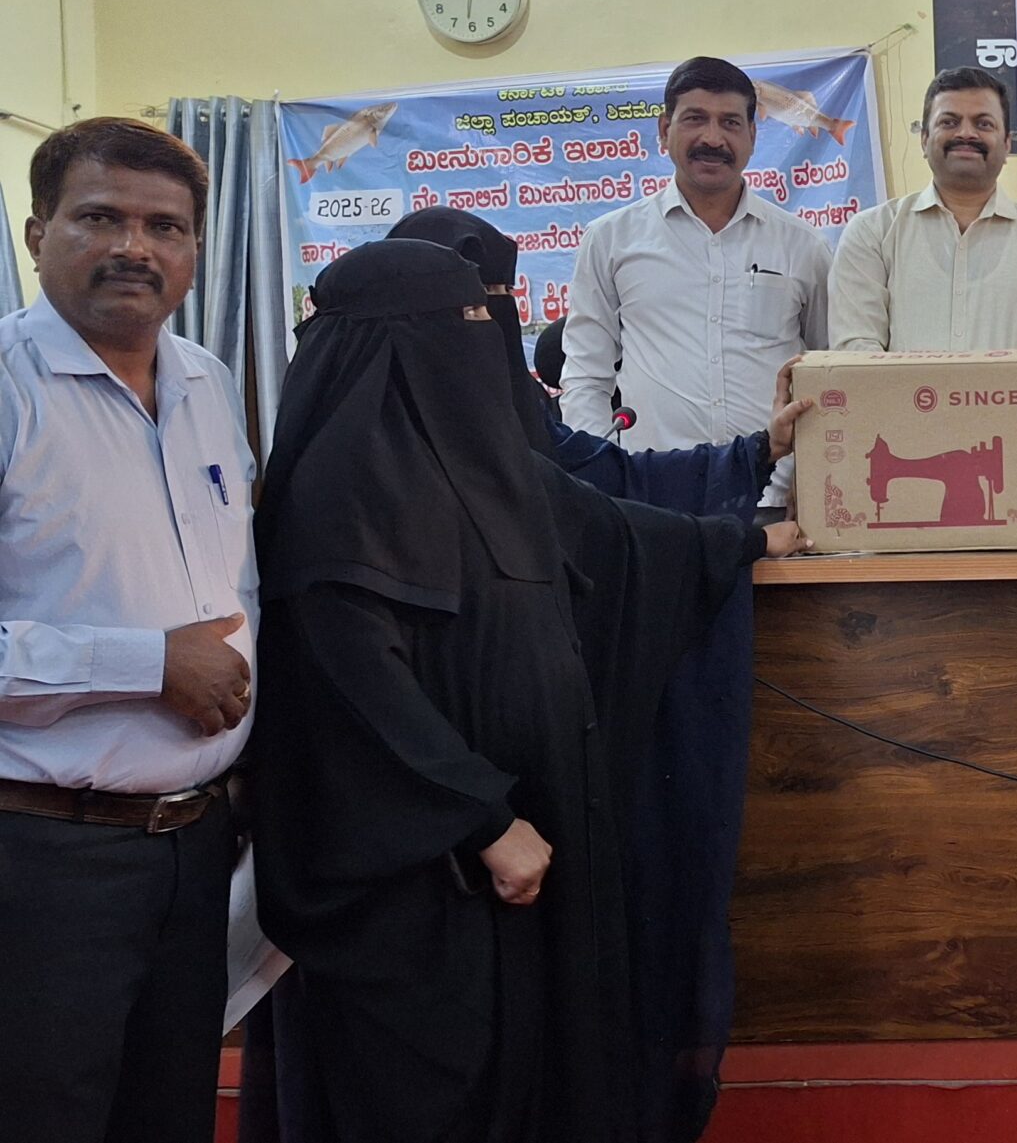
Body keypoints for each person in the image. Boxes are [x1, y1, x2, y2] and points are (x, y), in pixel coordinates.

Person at [247, 240, 806, 1143]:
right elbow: (354, 691)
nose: (488, 333)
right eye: (467, 317)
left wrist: (744, 536)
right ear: (399, 342)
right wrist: (482, 818)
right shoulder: (339, 491)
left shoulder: (488, 461)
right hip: (424, 885)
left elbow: (618, 535)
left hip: (532, 854)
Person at [0, 119, 253, 1143]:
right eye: (100, 217)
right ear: (37, 232)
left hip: (194, 850)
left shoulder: (206, 381)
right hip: (42, 857)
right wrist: (147, 663)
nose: (134, 248)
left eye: (165, 226)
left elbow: (235, 588)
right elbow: (171, 646)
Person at [562, 56, 830, 454]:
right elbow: (586, 374)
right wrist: (599, 469)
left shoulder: (803, 245)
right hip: (655, 483)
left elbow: (830, 370)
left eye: (730, 123)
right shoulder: (610, 239)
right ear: (664, 129)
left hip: (778, 482)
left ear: (752, 136)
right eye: (695, 119)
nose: (713, 138)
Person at [828, 66, 1017, 351]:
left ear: (1006, 144)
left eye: (984, 124)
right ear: (924, 139)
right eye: (949, 122)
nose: (966, 133)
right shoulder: (871, 234)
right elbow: (857, 352)